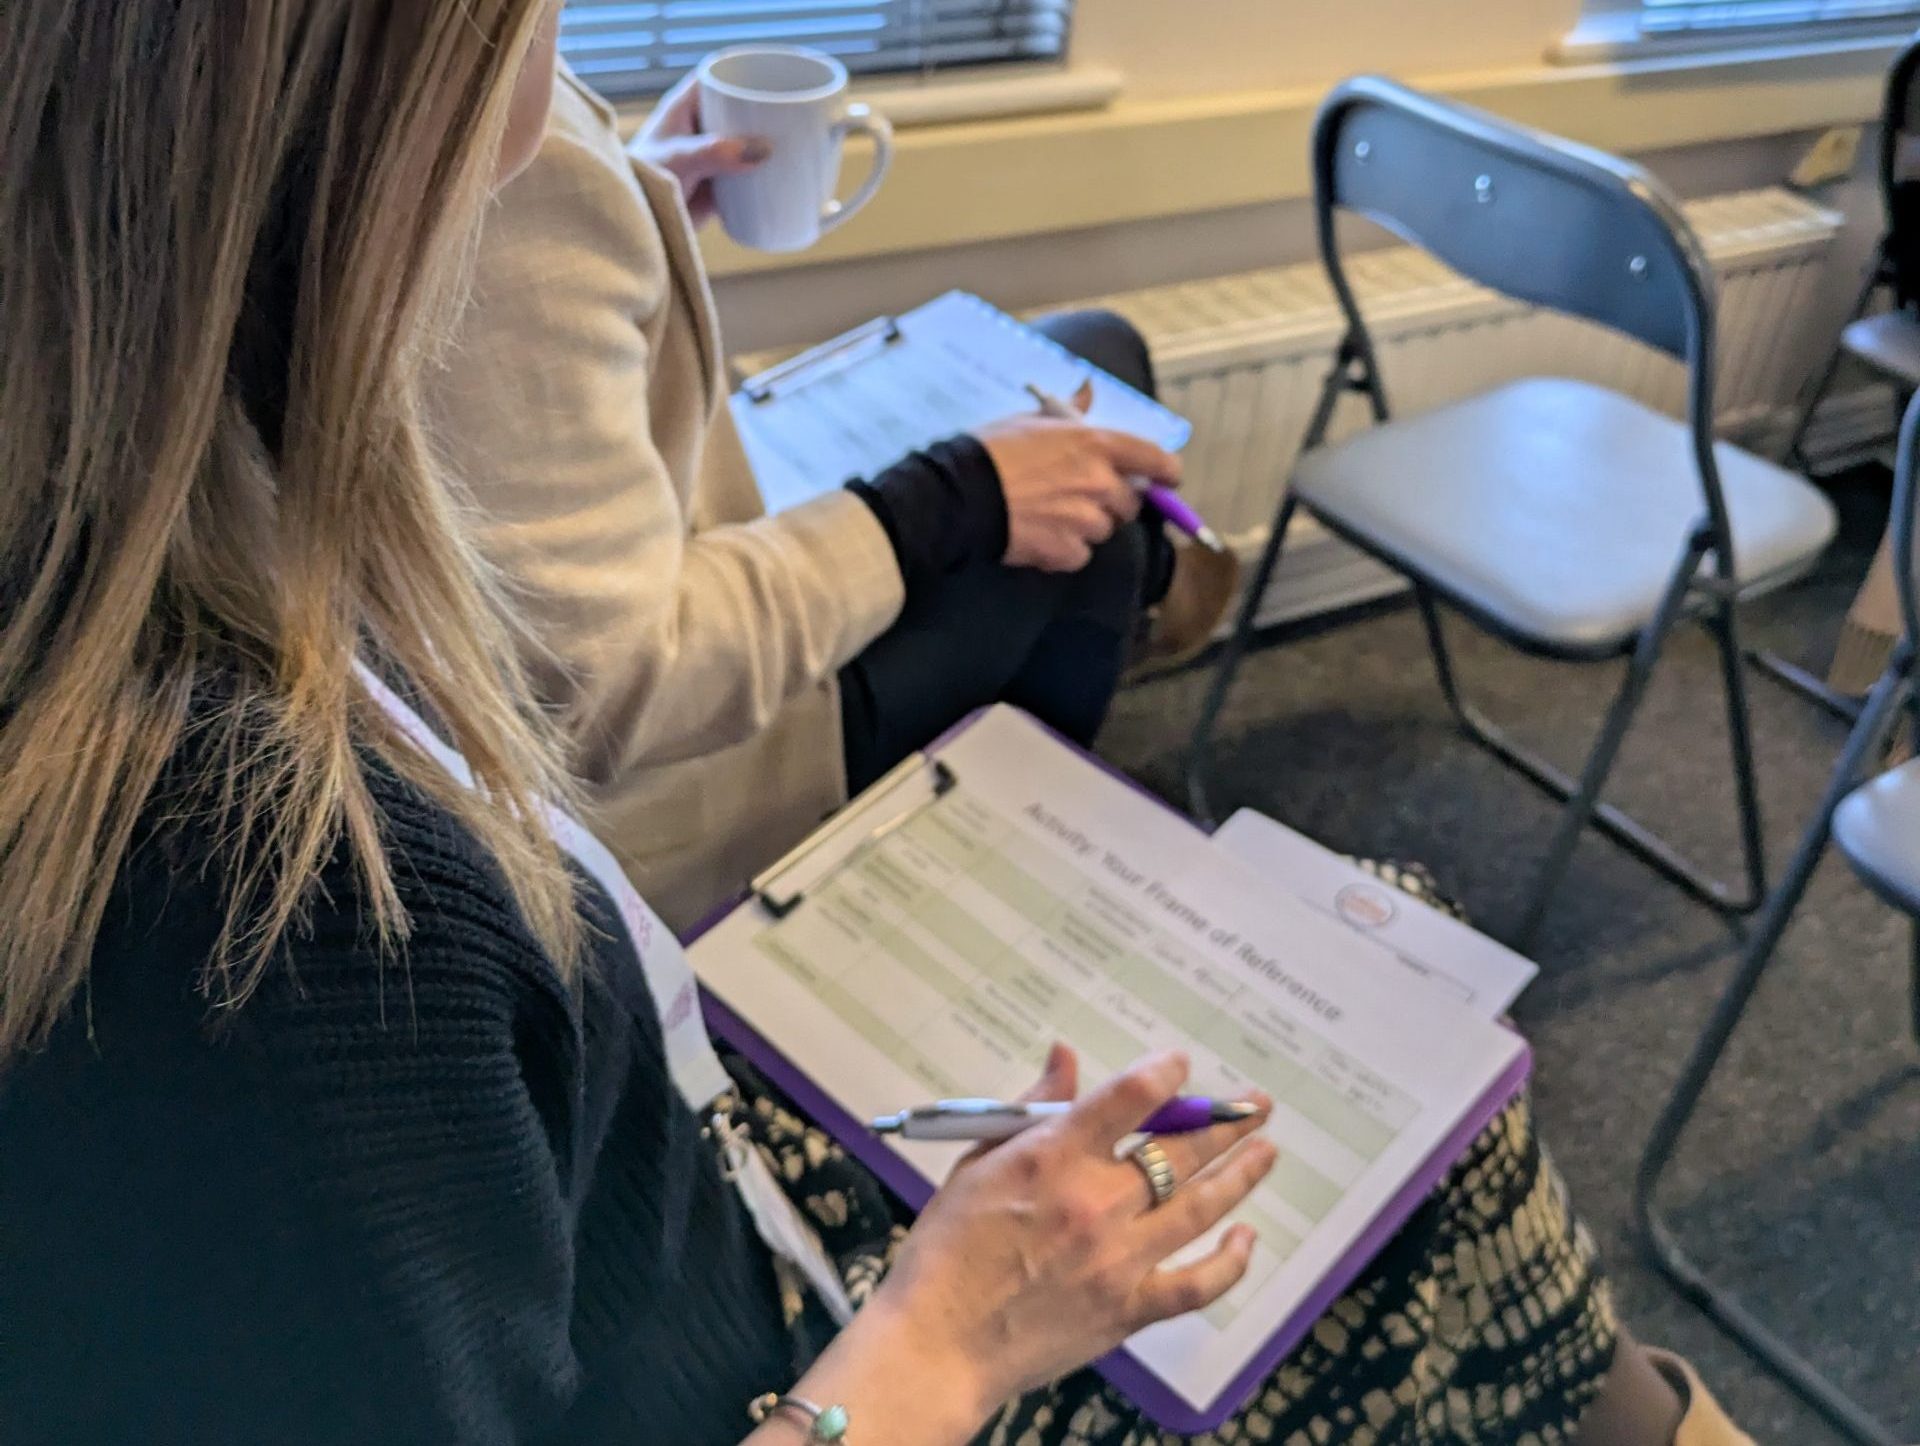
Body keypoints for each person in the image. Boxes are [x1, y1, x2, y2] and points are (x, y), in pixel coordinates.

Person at [0, 5, 1749, 1444]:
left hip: (678, 1175)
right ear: (347, 115)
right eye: (513, 44)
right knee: (1415, 1121)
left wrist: (638, 197)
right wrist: (947, 1335)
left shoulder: (132, 553)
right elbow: (600, 686)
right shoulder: (282, 931)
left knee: (1390, 998)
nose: (538, 123)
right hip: (780, 1331)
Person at [430, 67, 1237, 931]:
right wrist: (951, 497)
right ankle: (983, 919)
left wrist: (638, 197)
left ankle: (1136, 593)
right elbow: (620, 685)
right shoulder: (506, 145)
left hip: (703, 518)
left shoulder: (444, 93)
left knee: (1093, 349)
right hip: (660, 781)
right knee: (1091, 541)